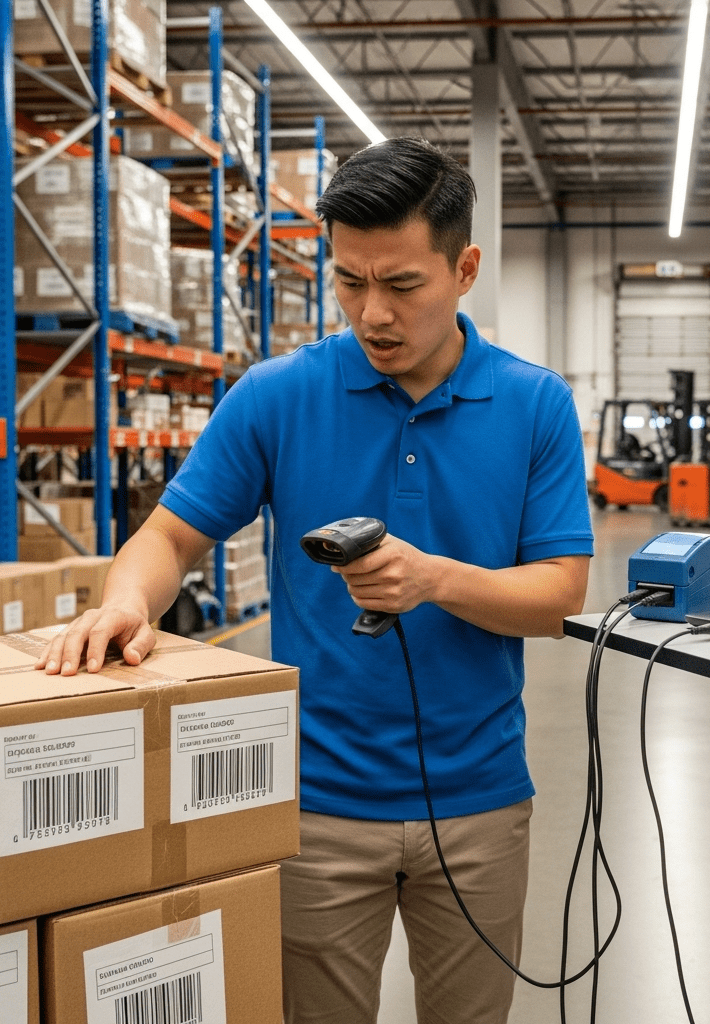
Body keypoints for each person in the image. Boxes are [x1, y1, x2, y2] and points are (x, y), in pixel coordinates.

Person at [36, 137, 594, 1024]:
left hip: (481, 804)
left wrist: (435, 578)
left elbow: (561, 594)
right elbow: (169, 535)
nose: (373, 313)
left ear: (465, 269)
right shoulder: (275, 395)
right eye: (349, 282)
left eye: (403, 284)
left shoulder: (534, 404)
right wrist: (124, 602)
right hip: (313, 805)